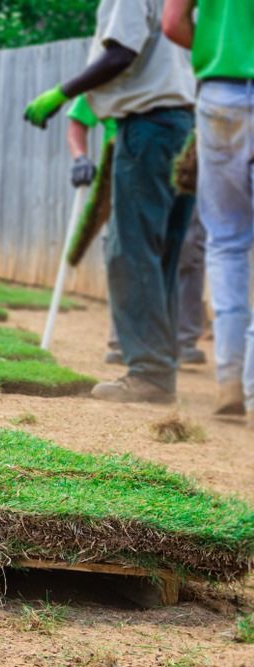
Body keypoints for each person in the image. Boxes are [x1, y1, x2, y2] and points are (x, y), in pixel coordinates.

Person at [24, 0, 196, 404]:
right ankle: (159, 370)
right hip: (183, 126)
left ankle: (149, 373)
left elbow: (122, 52)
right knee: (163, 253)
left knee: (131, 251)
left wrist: (62, 91)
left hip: (148, 126)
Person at [66, 95, 208, 367]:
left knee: (186, 252)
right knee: (126, 254)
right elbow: (77, 119)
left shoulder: (182, 71)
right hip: (127, 167)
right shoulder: (115, 75)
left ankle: (180, 340)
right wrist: (80, 158)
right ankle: (122, 341)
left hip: (182, 165)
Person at [164, 0, 254, 427]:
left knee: (226, 242)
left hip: (219, 95)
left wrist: (218, 50)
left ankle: (230, 382)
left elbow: (172, 23)